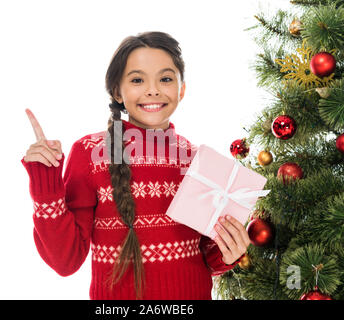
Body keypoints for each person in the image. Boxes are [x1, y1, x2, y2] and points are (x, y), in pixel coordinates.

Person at [21, 31, 250, 300]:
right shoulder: (90, 153)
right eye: (138, 80)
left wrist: (228, 253)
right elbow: (65, 261)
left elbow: (206, 259)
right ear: (118, 91)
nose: (153, 89)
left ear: (182, 89)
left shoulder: (197, 159)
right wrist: (45, 178)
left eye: (165, 79)